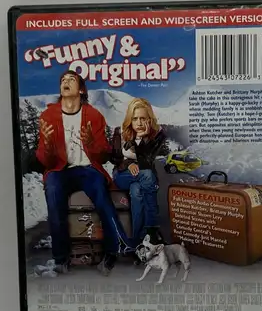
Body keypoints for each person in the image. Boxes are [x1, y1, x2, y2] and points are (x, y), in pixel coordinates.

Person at [35, 69, 131, 276]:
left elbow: (102, 156)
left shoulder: (94, 116)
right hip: (60, 170)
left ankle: (113, 251)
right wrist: (48, 144)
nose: (66, 81)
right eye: (63, 79)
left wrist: (91, 143)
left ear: (81, 90)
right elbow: (45, 161)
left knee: (102, 197)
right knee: (53, 192)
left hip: (88, 169)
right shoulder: (48, 116)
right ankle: (61, 258)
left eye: (71, 79)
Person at [111, 98, 168, 245]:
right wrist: (128, 163)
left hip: (143, 175)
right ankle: (152, 232)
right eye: (135, 118)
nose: (139, 123)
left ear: (150, 119)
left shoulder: (158, 134)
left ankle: (138, 241)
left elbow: (147, 162)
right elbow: (114, 158)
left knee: (137, 191)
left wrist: (143, 139)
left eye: (143, 118)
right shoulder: (120, 131)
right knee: (148, 176)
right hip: (122, 174)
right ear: (130, 119)